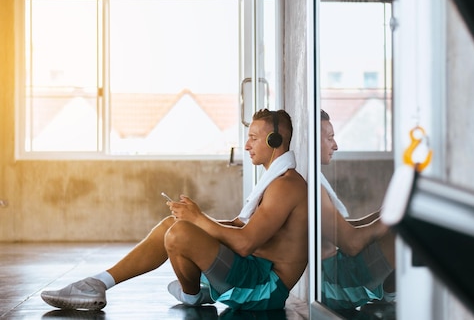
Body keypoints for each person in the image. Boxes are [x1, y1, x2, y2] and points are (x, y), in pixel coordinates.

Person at [41, 109, 308, 311]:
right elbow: (241, 225)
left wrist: (198, 220)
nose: (247, 145)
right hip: (254, 271)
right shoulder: (275, 180)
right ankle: (98, 283)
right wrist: (195, 218)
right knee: (174, 224)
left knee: (180, 232)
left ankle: (193, 295)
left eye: (253, 138)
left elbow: (246, 243)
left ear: (275, 140)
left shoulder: (286, 185)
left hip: (264, 289)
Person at [318, 110, 396, 310]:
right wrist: (394, 217)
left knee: (396, 219)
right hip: (333, 285)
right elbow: (351, 243)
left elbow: (338, 228)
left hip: (332, 272)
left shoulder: (307, 177)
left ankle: (390, 294)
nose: (335, 145)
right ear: (311, 139)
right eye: (329, 138)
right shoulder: (309, 187)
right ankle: (391, 295)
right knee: (410, 226)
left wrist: (383, 214)